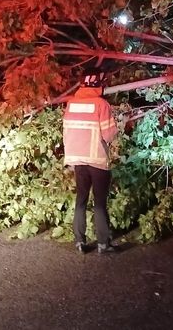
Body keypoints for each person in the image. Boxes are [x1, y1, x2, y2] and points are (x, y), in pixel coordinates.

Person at [63, 69, 119, 254]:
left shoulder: (71, 104)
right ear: (98, 85)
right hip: (97, 160)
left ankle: (79, 241)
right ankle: (103, 243)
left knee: (81, 199)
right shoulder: (101, 105)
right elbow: (109, 135)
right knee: (99, 202)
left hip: (78, 160)